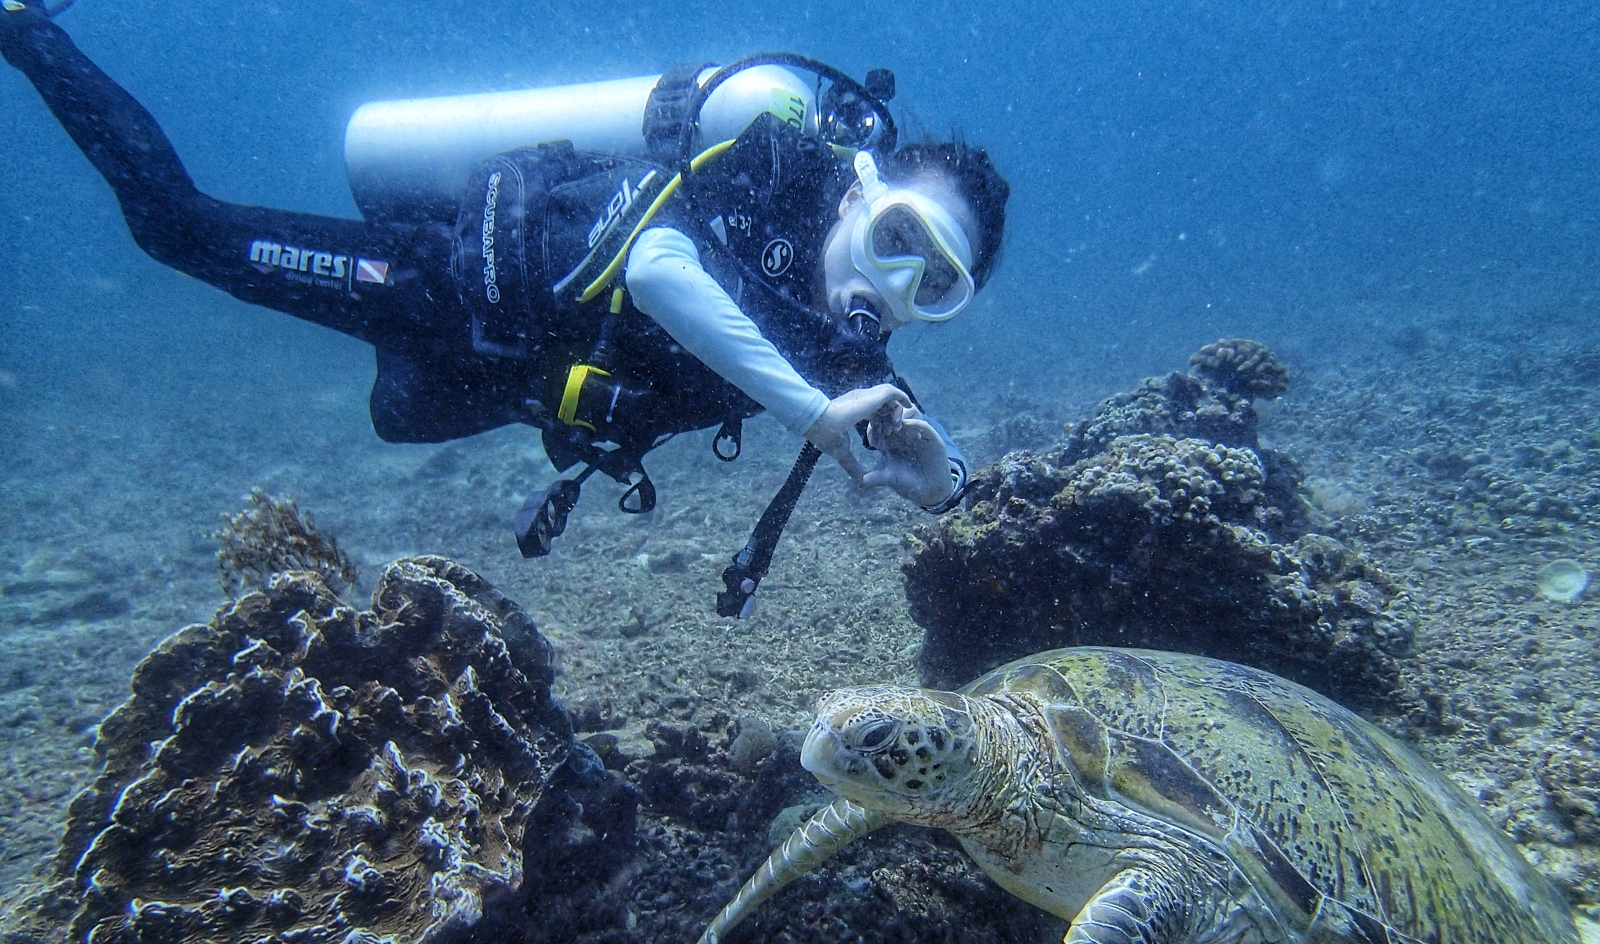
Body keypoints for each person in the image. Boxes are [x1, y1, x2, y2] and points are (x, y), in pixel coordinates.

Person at [1, 3, 1009, 610]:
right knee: (182, 231)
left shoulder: (847, 352)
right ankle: (27, 30)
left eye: (936, 285)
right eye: (896, 239)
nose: (892, 285)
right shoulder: (767, 170)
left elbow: (930, 459)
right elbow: (656, 267)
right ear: (858, 194)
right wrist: (810, 412)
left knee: (395, 419)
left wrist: (933, 480)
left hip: (495, 376)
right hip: (442, 281)